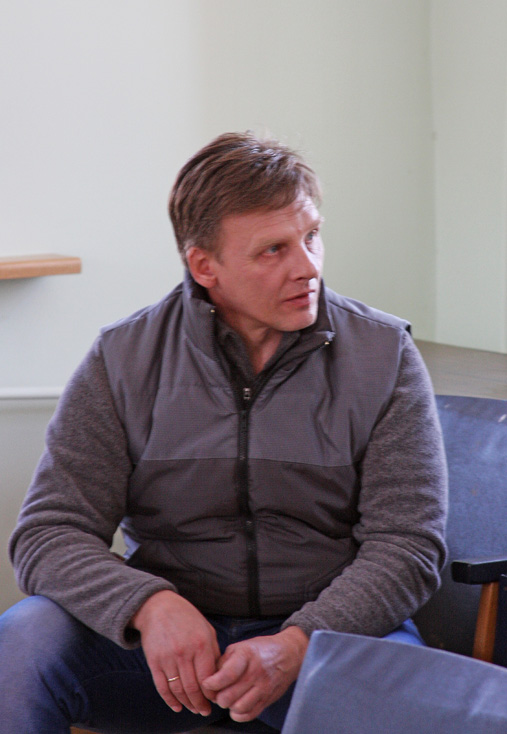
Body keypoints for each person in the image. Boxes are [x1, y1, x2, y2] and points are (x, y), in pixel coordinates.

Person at [0, 132, 447, 734]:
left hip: (326, 638)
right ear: (204, 266)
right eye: (273, 250)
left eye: (312, 236)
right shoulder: (122, 359)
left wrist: (298, 641)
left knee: (418, 706)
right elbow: (49, 534)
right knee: (21, 642)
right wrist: (148, 606)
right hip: (163, 650)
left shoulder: (383, 354)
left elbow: (408, 546)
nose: (308, 267)